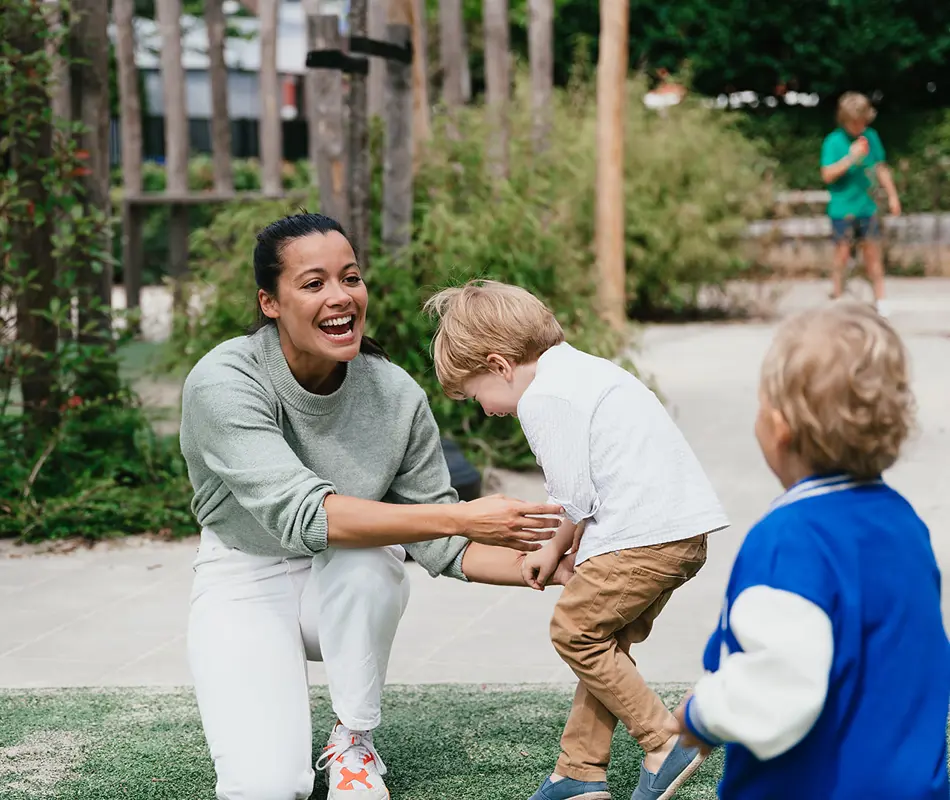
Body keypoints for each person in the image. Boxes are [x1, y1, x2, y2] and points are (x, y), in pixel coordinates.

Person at [178, 213, 569, 800]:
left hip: (345, 576)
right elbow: (305, 516)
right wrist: (463, 514)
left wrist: (552, 564)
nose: (340, 297)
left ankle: (352, 740)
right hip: (243, 572)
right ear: (270, 302)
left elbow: (442, 545)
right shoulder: (225, 380)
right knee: (265, 786)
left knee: (368, 562)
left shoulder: (394, 393)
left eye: (350, 277)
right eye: (313, 283)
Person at [425, 280, 730, 800]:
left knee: (575, 631)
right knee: (603, 644)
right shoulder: (581, 370)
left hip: (642, 535)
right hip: (675, 531)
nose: (484, 409)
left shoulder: (545, 397)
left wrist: (549, 548)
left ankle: (664, 740)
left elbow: (572, 495)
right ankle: (579, 771)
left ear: (499, 365)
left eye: (476, 394)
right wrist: (568, 548)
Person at [673, 302, 950, 799]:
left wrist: (703, 714)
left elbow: (782, 686)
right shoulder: (904, 523)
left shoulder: (790, 539)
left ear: (779, 426)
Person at [820, 91, 902, 317]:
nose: (858, 126)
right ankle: (837, 298)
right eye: (854, 122)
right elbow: (827, 174)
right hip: (842, 208)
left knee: (873, 254)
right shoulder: (834, 141)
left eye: (862, 121)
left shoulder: (871, 137)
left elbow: (880, 168)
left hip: (867, 207)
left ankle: (881, 299)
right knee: (842, 255)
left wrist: (893, 195)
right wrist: (851, 158)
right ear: (843, 119)